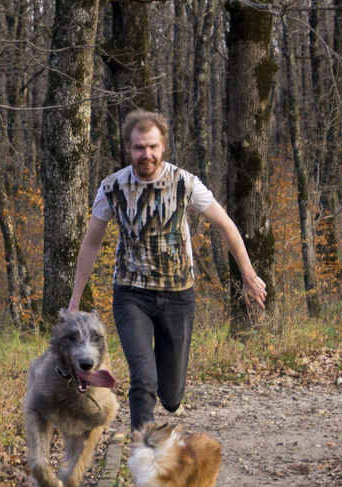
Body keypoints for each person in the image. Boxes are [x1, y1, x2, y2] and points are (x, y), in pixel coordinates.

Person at [67, 109, 267, 434]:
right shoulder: (112, 188)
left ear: (163, 148)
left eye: (152, 147)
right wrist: (75, 300)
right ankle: (144, 464)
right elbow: (91, 242)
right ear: (128, 149)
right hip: (131, 293)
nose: (146, 154)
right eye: (138, 148)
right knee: (143, 378)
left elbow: (225, 224)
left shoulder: (184, 183)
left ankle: (167, 397)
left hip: (177, 296)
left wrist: (248, 274)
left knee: (171, 396)